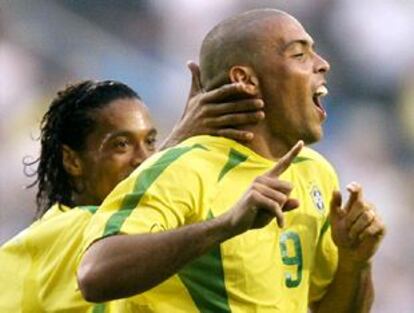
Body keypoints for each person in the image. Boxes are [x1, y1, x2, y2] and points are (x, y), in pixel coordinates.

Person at [78, 9, 385, 313]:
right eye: (299, 55)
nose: (323, 64)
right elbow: (95, 275)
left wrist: (354, 261)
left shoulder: (316, 172)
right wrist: (226, 225)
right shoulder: (187, 166)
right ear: (246, 80)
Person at [0, 63, 264, 312]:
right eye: (121, 145)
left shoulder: (130, 228)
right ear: (72, 160)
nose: (144, 159)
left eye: (150, 142)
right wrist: (181, 141)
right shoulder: (70, 231)